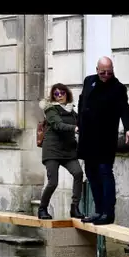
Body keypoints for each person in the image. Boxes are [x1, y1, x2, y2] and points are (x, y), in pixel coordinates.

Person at [77, 57, 129, 225]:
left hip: (104, 137)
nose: (105, 75)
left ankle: (108, 213)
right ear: (97, 69)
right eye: (102, 72)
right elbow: (82, 101)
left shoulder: (117, 88)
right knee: (91, 173)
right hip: (88, 136)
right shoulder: (89, 81)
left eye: (109, 72)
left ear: (113, 70)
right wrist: (78, 123)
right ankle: (99, 210)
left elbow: (125, 109)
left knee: (104, 172)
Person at [38, 83, 85, 220]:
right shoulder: (51, 109)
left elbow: (81, 121)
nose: (59, 97)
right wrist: (75, 129)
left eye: (62, 93)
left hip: (68, 150)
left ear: (67, 94)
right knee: (53, 182)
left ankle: (74, 208)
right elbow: (58, 125)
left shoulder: (71, 110)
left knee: (78, 173)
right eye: (56, 94)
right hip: (52, 150)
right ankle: (42, 209)